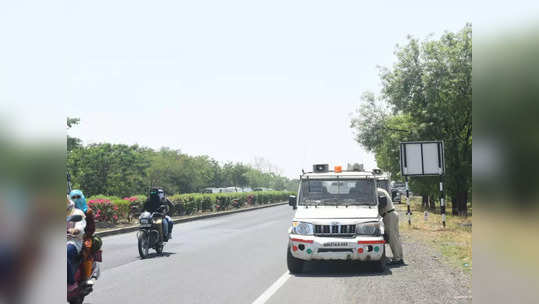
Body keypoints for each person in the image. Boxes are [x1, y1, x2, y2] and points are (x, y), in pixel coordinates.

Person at [69, 189, 96, 285]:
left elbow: (91, 228)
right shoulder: (69, 211)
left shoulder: (88, 211)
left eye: (78, 197)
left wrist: (84, 235)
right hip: (70, 237)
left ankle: (86, 276)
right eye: (73, 197)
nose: (76, 199)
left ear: (82, 198)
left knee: (86, 248)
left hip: (85, 236)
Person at [377, 188, 404, 265]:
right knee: (395, 237)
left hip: (389, 214)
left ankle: (398, 258)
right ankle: (399, 257)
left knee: (393, 237)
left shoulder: (378, 191)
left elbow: (381, 204)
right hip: (390, 214)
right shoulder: (380, 190)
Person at [67, 197, 86, 292]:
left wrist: (75, 230)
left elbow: (80, 227)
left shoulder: (77, 213)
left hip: (73, 241)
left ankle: (71, 283)